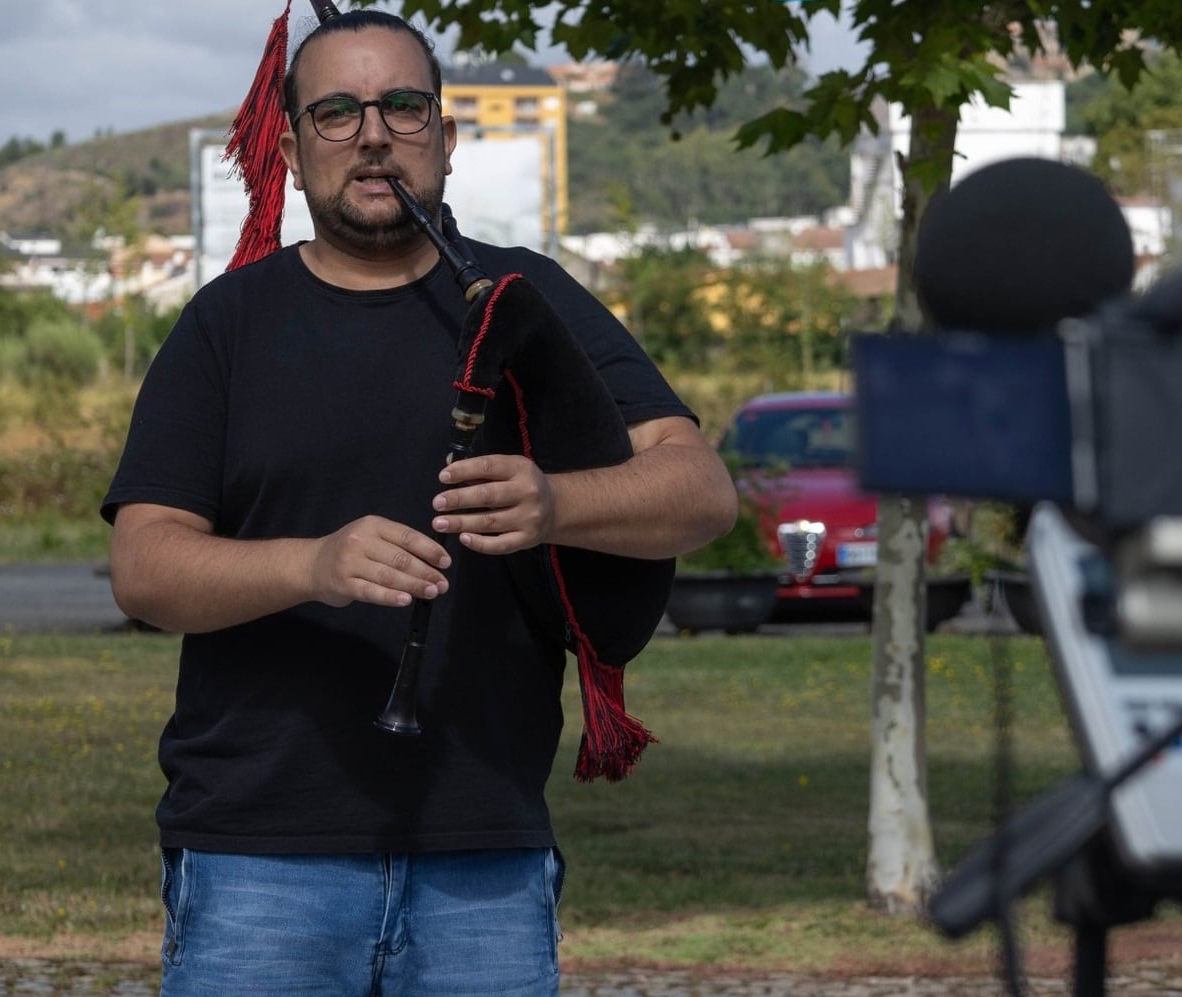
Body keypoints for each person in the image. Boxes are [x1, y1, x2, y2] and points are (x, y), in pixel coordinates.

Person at [101, 11, 737, 995]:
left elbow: (699, 490)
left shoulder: (527, 300)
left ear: (443, 136)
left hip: (483, 852)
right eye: (337, 111)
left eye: (402, 106)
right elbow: (145, 568)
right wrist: (309, 564)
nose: (371, 133)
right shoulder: (227, 324)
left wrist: (556, 501)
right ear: (295, 143)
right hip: (259, 857)